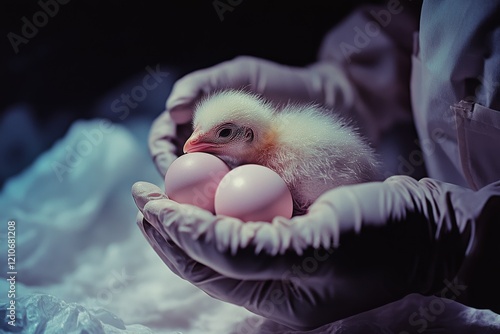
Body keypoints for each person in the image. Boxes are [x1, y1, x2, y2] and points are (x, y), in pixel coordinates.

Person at [132, 1, 500, 331]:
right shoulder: (265, 149)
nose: (193, 144)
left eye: (224, 132)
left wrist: (458, 237)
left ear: (250, 133)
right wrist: (352, 81)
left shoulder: (280, 156)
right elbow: (413, 20)